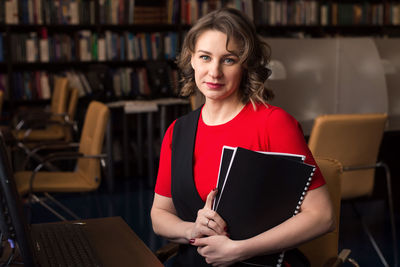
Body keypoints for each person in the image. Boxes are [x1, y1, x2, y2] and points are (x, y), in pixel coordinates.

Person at [151, 7, 334, 267]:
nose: (214, 72)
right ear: (191, 60)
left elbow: (322, 216)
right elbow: (160, 215)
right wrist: (190, 230)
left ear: (245, 64)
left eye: (228, 60)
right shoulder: (177, 131)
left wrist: (239, 250)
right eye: (205, 57)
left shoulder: (274, 123)